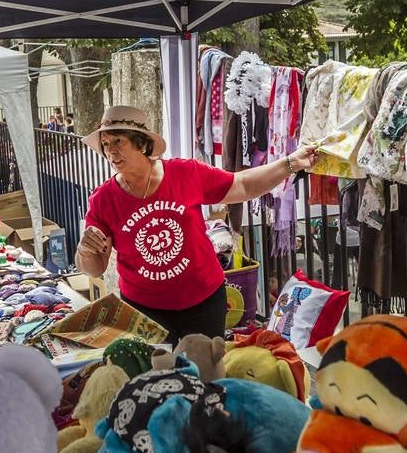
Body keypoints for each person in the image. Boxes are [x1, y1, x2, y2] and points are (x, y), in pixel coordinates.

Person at [76, 106, 318, 343]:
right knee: (156, 380)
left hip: (203, 303)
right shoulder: (103, 200)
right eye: (106, 144)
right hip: (144, 311)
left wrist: (291, 163)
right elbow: (94, 267)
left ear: (141, 143)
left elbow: (241, 185)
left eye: (118, 142)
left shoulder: (184, 173)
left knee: (207, 376)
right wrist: (84, 251)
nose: (111, 152)